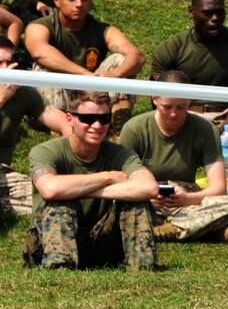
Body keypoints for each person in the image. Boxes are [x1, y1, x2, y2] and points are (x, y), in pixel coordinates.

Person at [23, 91, 158, 271]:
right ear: (70, 119)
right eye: (88, 119)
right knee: (59, 204)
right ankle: (59, 271)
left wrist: (81, 189)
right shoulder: (45, 151)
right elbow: (50, 189)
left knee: (137, 203)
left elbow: (149, 187)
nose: (97, 125)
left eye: (104, 119)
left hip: (98, 242)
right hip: (47, 243)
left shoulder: (120, 153)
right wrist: (107, 177)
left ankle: (143, 269)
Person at [119, 74, 228, 242]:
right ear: (155, 99)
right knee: (121, 206)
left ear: (190, 102)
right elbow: (120, 180)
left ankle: (172, 228)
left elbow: (219, 187)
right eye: (167, 107)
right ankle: (200, 228)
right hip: (146, 199)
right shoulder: (135, 129)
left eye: (181, 107)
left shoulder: (204, 129)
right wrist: (146, 195)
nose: (173, 114)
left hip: (188, 201)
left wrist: (187, 199)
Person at [151, 0, 228, 150]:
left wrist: (222, 130)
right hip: (184, 117)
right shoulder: (172, 48)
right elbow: (158, 100)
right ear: (191, 11)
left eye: (220, 13)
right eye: (208, 13)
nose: (215, 19)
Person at [25, 0, 145, 104]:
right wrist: (84, 74)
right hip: (58, 94)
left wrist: (114, 75)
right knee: (42, 68)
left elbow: (136, 55)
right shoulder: (40, 27)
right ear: (57, 0)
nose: (79, 4)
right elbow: (40, 53)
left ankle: (118, 115)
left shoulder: (104, 30)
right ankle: (59, 122)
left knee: (121, 59)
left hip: (92, 92)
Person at [0, 44, 66, 215]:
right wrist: (1, 98)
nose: (8, 69)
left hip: (3, 174)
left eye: (11, 62)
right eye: (1, 63)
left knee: (51, 199)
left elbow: (63, 123)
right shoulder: (7, 93)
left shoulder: (22, 92)